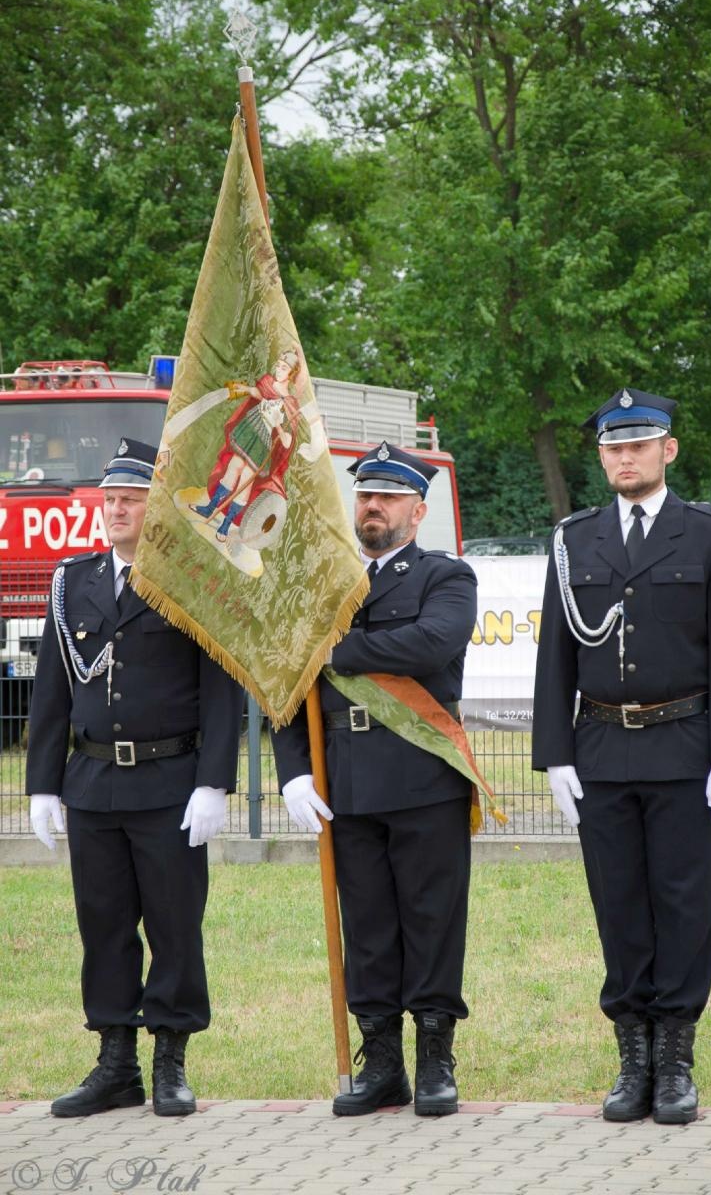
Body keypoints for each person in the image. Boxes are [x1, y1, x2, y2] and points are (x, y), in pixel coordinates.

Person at [532, 388, 711, 1125]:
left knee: (685, 906)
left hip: (685, 748)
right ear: (600, 456)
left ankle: (675, 1059)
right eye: (611, 447)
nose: (623, 457)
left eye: (637, 444)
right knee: (618, 905)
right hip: (599, 749)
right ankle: (631, 1058)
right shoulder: (573, 540)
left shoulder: (709, 534)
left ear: (667, 450)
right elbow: (554, 656)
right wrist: (554, 754)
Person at [27, 438, 244, 1118]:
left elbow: (220, 689)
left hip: (168, 782)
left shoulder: (193, 580)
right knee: (104, 925)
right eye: (109, 499)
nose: (115, 509)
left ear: (156, 510)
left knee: (174, 925)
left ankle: (170, 1060)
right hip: (92, 782)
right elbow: (52, 690)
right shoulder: (74, 582)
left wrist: (214, 782)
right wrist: (41, 784)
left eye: (129, 499)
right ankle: (114, 1062)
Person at [270, 441, 478, 1118]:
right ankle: (381, 1062)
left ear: (417, 512)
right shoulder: (322, 584)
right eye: (364, 495)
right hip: (345, 780)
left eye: (387, 498)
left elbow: (427, 644)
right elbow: (286, 678)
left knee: (430, 921)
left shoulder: (445, 578)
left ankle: (435, 1060)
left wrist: (334, 648)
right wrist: (293, 772)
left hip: (423, 776)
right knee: (366, 926)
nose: (373, 507)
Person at [190, 351, 303, 542]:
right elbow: (258, 394)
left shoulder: (291, 404)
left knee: (246, 480)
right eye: (278, 365)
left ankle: (226, 525)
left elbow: (287, 442)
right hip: (250, 429)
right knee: (233, 467)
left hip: (263, 441)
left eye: (284, 368)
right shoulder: (268, 381)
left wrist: (276, 423)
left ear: (291, 374)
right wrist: (242, 388)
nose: (279, 369)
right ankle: (210, 507)